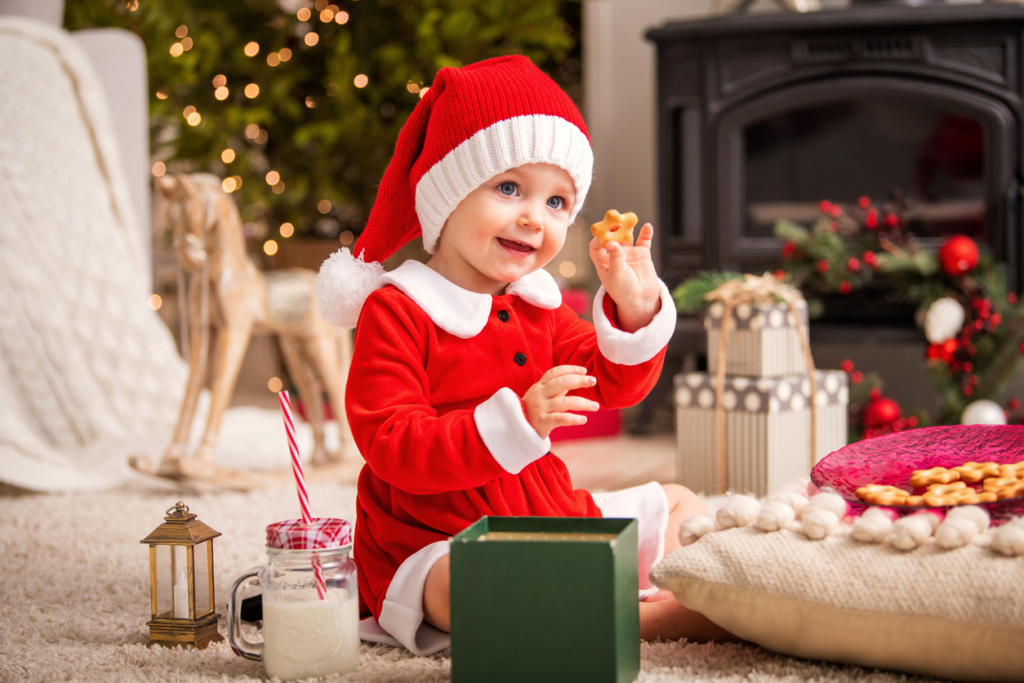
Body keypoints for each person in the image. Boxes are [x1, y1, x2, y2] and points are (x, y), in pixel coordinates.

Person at [316, 55, 731, 655]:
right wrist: (514, 423)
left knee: (680, 504)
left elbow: (611, 384)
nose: (535, 217)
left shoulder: (537, 305)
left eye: (558, 202)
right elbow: (392, 443)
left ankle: (625, 596)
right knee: (467, 585)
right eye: (508, 188)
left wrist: (634, 314)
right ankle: (649, 620)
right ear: (448, 196)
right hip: (436, 535)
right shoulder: (400, 310)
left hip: (541, 511)